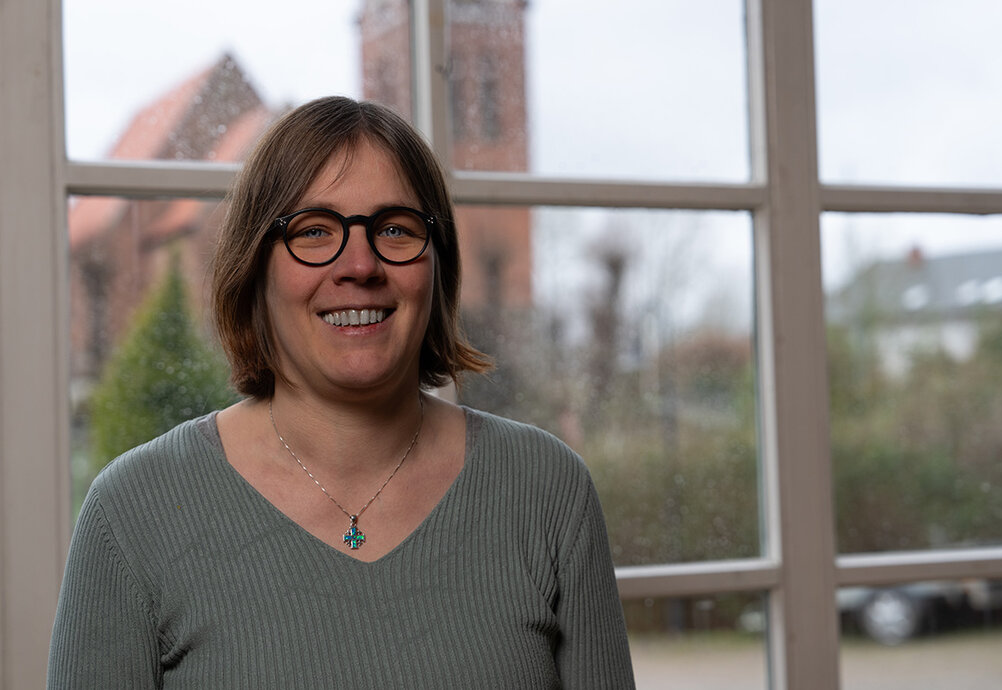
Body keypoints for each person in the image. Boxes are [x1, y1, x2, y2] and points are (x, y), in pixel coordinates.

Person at [47, 96, 635, 688]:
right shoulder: (131, 515)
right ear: (255, 268)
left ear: (438, 264)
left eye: (396, 229)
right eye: (314, 230)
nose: (360, 264)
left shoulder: (550, 493)